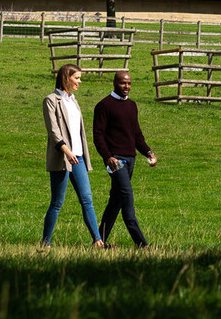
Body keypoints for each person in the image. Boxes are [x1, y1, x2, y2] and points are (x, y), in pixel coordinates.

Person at [40, 63, 103, 249]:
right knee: (57, 202)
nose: (79, 81)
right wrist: (66, 152)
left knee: (87, 200)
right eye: (76, 78)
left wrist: (77, 153)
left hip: (79, 158)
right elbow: (53, 131)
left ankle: (97, 241)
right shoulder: (51, 100)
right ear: (66, 78)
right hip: (63, 157)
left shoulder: (73, 100)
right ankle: (45, 243)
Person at [93, 69, 158, 249]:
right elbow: (98, 136)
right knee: (127, 200)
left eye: (129, 83)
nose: (126, 86)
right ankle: (142, 245)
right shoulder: (104, 105)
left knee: (115, 202)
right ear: (115, 83)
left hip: (131, 160)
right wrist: (107, 157)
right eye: (123, 83)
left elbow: (137, 134)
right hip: (116, 162)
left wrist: (149, 152)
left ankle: (99, 241)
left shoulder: (132, 106)